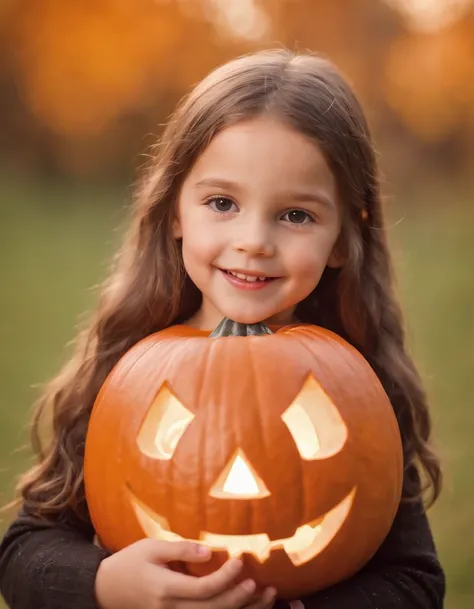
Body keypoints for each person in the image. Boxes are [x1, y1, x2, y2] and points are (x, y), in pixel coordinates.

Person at [0, 49, 445, 609]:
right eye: (222, 202)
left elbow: (415, 583)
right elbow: (22, 555)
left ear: (343, 237)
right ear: (175, 212)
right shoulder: (128, 372)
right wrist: (107, 584)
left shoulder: (360, 386)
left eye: (296, 215)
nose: (254, 240)